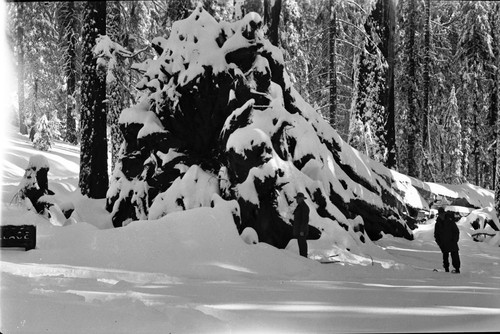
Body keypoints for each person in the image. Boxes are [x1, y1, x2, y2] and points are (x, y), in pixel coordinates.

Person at [434, 207, 461, 273]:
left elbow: (456, 231)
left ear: (444, 214)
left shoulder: (450, 221)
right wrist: (439, 243)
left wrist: (455, 240)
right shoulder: (437, 224)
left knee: (455, 257)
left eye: (442, 214)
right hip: (443, 243)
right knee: (445, 257)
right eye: (440, 214)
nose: (441, 216)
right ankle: (446, 270)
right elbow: (436, 234)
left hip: (452, 242)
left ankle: (457, 269)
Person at [293, 192, 310, 258]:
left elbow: (305, 220)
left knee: (302, 245)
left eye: (298, 198)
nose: (296, 200)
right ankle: (303, 258)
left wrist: (302, 230)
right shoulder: (300, 206)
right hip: (299, 230)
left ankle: (304, 258)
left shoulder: (304, 207)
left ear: (302, 199)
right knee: (301, 244)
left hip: (302, 231)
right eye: (296, 198)